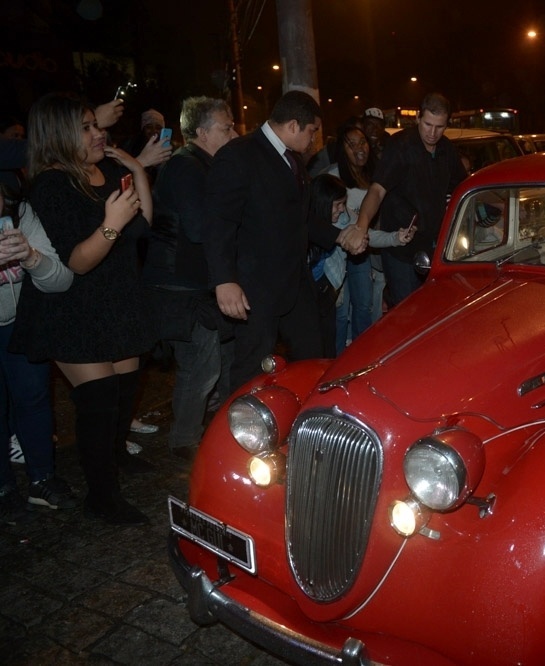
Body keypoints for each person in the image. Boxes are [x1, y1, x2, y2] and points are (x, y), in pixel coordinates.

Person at [9, 92, 157, 525]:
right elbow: (77, 261)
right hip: (72, 310)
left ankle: (114, 460)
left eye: (97, 124)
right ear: (58, 135)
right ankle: (102, 494)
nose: (99, 133)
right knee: (99, 401)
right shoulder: (52, 185)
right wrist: (111, 224)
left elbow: (143, 228)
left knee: (125, 389)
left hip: (114, 303)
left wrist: (137, 172)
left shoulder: (105, 170)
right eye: (87, 127)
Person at [204, 91, 358, 391]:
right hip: (254, 287)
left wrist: (338, 235)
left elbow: (298, 218)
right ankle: (242, 434)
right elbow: (217, 223)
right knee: (251, 367)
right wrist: (224, 280)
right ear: (292, 125)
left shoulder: (293, 160)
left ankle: (310, 423)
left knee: (313, 357)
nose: (314, 139)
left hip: (295, 283)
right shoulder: (240, 155)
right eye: (312, 131)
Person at [143, 97, 238, 460]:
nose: (233, 133)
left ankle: (209, 428)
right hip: (178, 285)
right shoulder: (186, 167)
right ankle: (183, 440)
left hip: (195, 282)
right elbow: (200, 228)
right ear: (201, 132)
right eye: (225, 127)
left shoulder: (203, 164)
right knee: (201, 364)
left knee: (218, 358)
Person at [341, 93, 465, 307]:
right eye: (428, 124)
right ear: (418, 117)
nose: (433, 133)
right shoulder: (400, 146)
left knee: (433, 309)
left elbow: (463, 187)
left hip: (435, 248)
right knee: (406, 311)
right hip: (402, 250)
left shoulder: (446, 149)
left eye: (439, 127)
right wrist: (361, 226)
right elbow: (377, 190)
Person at [0, 185, 78, 523]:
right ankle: (3, 489)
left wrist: (31, 256)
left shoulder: (20, 212)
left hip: (18, 322)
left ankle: (42, 479)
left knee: (33, 397)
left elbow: (60, 280)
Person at [307, 174, 415, 355]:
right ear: (323, 203)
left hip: (328, 290)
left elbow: (367, 234)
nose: (342, 210)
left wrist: (396, 237)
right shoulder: (304, 221)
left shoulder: (344, 218)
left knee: (331, 337)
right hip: (305, 292)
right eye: (337, 204)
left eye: (343, 203)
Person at [327, 123, 377, 354]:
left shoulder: (374, 176)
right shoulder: (333, 176)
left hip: (363, 251)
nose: (359, 148)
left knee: (364, 306)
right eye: (351, 144)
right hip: (337, 254)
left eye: (362, 142)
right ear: (341, 149)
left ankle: (360, 355)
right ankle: (336, 362)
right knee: (340, 312)